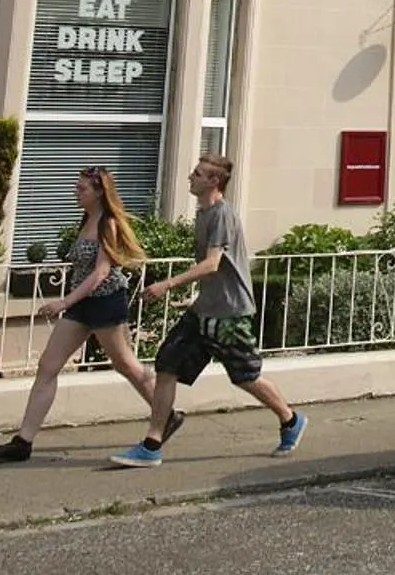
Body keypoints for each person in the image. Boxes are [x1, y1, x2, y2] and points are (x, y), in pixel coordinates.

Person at [110, 155, 305, 466]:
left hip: (229, 313)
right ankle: (152, 444)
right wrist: (196, 299)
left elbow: (212, 264)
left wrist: (167, 285)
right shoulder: (204, 213)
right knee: (167, 364)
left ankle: (290, 420)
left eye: (198, 174)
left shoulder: (222, 215)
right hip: (204, 312)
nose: (191, 177)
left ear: (214, 182)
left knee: (244, 376)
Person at [0, 167, 172, 462]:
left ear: (99, 192)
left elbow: (101, 272)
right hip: (82, 305)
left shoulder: (108, 223)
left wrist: (64, 301)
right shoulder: (86, 219)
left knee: (126, 365)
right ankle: (23, 442)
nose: (76, 192)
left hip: (106, 302)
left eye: (82, 188)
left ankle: (165, 415)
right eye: (77, 187)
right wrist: (71, 302)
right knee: (48, 365)